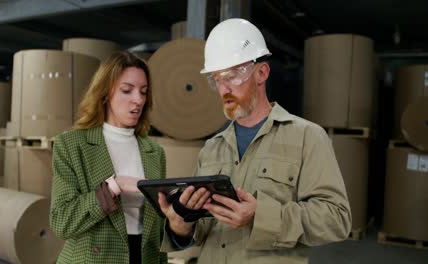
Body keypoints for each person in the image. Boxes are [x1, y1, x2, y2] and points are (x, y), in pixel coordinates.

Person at [158, 18, 352, 263]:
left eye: (232, 76)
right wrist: (180, 222)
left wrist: (260, 216)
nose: (223, 89)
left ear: (261, 72)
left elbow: (337, 220)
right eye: (217, 79)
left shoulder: (307, 137)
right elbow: (202, 232)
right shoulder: (212, 149)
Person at [50, 51, 167, 264]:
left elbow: (157, 228)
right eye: (127, 90)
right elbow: (62, 221)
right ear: (105, 92)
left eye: (143, 91)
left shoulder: (154, 152)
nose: (138, 100)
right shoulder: (72, 145)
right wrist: (114, 186)